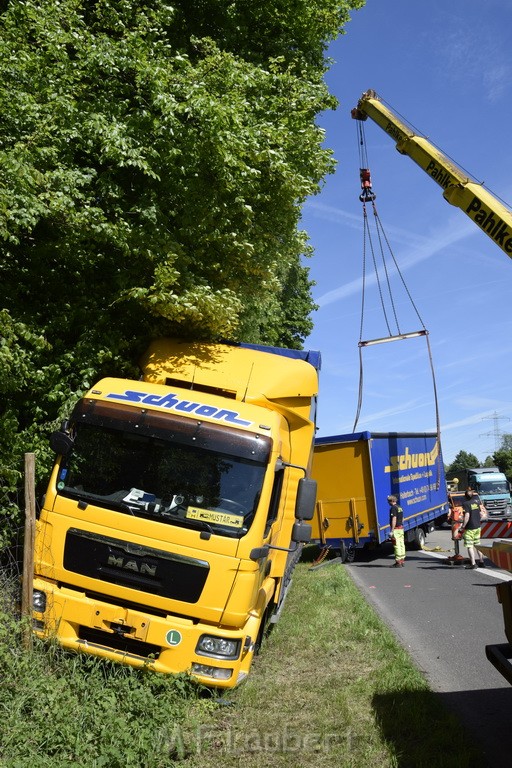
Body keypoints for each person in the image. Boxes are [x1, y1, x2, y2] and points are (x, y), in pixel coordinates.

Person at [460, 488, 486, 570]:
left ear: (465, 496)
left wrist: (463, 526)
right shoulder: (476, 502)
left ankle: (473, 564)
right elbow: (480, 513)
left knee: (470, 546)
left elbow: (467, 515)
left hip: (470, 528)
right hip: (477, 526)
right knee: (477, 544)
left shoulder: (466, 504)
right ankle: (481, 562)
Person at [387, 494, 405, 567]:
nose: (388, 503)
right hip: (401, 528)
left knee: (396, 545)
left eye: (388, 502)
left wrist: (392, 530)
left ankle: (398, 562)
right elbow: (403, 518)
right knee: (401, 544)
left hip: (396, 529)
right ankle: (402, 560)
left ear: (391, 501)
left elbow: (394, 519)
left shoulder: (393, 508)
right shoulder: (399, 507)